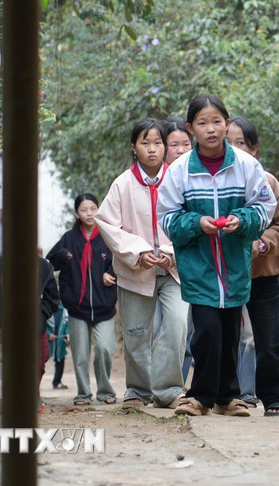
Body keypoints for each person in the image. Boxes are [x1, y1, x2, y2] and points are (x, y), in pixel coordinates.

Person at [157, 94, 276, 418]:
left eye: (217, 121)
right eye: (202, 123)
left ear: (226, 123)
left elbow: (264, 208)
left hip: (235, 263)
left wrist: (243, 221)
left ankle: (228, 396)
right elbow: (166, 217)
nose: (211, 129)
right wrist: (197, 223)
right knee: (207, 330)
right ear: (190, 128)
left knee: (230, 331)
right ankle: (200, 395)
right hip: (199, 266)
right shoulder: (180, 171)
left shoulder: (247, 165)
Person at [95, 118, 189, 410]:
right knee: (136, 332)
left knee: (176, 324)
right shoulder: (122, 184)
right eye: (145, 142)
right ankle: (137, 390)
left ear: (165, 146)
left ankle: (168, 389)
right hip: (136, 269)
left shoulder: (179, 180)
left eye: (158, 142)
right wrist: (138, 251)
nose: (152, 149)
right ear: (134, 148)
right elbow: (107, 223)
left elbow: (189, 220)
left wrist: (171, 251)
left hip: (173, 268)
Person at [227, 116, 279, 416]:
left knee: (270, 340)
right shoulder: (209, 183)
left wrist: (263, 243)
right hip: (223, 274)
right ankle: (226, 395)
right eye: (227, 142)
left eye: (240, 142)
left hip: (263, 274)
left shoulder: (266, 181)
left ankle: (276, 397)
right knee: (224, 337)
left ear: (253, 149)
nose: (233, 149)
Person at [48, 193, 118, 406]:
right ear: (77, 214)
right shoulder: (69, 238)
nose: (89, 213)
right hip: (77, 307)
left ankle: (105, 391)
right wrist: (64, 256)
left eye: (92, 208)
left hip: (104, 305)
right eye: (84, 210)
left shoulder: (108, 236)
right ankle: (83, 394)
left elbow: (119, 260)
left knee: (105, 348)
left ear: (99, 209)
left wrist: (110, 273)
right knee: (80, 354)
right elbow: (51, 261)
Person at [0, 253, 60, 413]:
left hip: (36, 325)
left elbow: (52, 298)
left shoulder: (43, 266)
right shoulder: (3, 263)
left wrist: (42, 314)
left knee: (39, 362)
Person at [163, 116, 195, 382]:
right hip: (158, 265)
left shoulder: (197, 177)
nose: (181, 150)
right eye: (174, 144)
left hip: (194, 265)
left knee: (187, 329)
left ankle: (178, 385)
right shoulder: (157, 179)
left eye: (186, 143)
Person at [47, 302, 69, 391]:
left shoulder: (64, 309)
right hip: (48, 339)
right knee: (41, 359)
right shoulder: (47, 306)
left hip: (60, 340)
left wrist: (67, 334)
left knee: (60, 360)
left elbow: (67, 322)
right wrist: (48, 334)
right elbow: (42, 322)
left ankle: (57, 381)